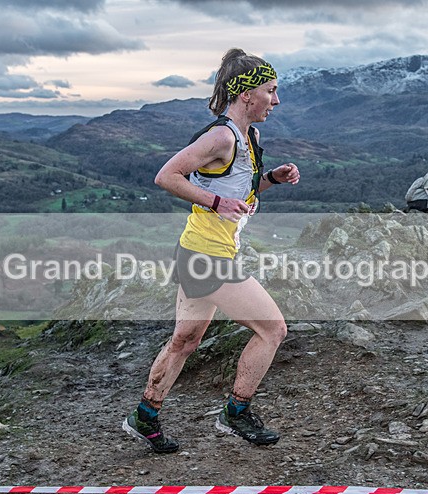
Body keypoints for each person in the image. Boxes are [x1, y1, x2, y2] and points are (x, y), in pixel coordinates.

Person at [122, 49, 301, 453]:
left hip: (196, 250)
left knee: (185, 339)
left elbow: (238, 190)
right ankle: (236, 413)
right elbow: (166, 175)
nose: (276, 100)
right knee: (273, 329)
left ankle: (145, 417)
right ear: (246, 94)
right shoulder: (221, 136)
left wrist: (271, 177)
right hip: (210, 256)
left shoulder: (249, 137)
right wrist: (214, 203)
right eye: (271, 91)